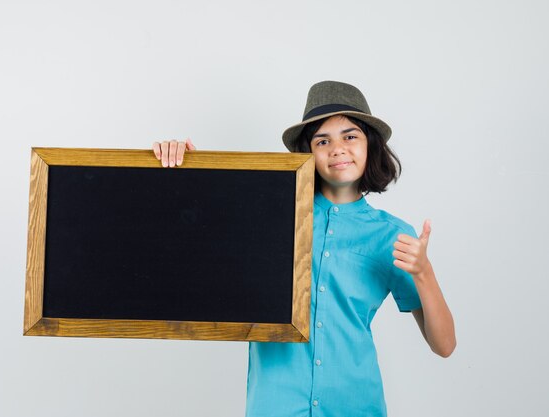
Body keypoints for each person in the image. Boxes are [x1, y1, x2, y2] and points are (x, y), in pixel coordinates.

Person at [152, 81, 456, 417]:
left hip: (355, 407)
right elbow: (192, 236)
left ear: (370, 144)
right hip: (275, 406)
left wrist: (424, 273)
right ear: (307, 152)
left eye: (350, 136)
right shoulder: (267, 215)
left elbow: (444, 346)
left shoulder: (392, 236)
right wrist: (184, 170)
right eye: (322, 140)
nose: (337, 148)